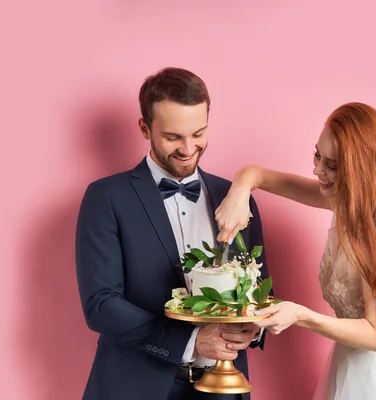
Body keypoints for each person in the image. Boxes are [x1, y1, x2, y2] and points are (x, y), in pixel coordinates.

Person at [215, 102, 376, 399]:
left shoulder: (372, 234)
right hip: (348, 363)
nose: (317, 170)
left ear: (360, 172)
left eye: (332, 165)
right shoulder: (342, 200)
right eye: (318, 155)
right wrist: (240, 191)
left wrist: (302, 316)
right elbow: (259, 174)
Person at [75, 67, 269, 400]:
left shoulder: (235, 197)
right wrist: (192, 342)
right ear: (144, 128)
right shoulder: (106, 197)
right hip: (136, 386)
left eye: (198, 133)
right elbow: (101, 304)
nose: (188, 148)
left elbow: (259, 288)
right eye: (172, 137)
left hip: (224, 388)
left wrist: (254, 329)